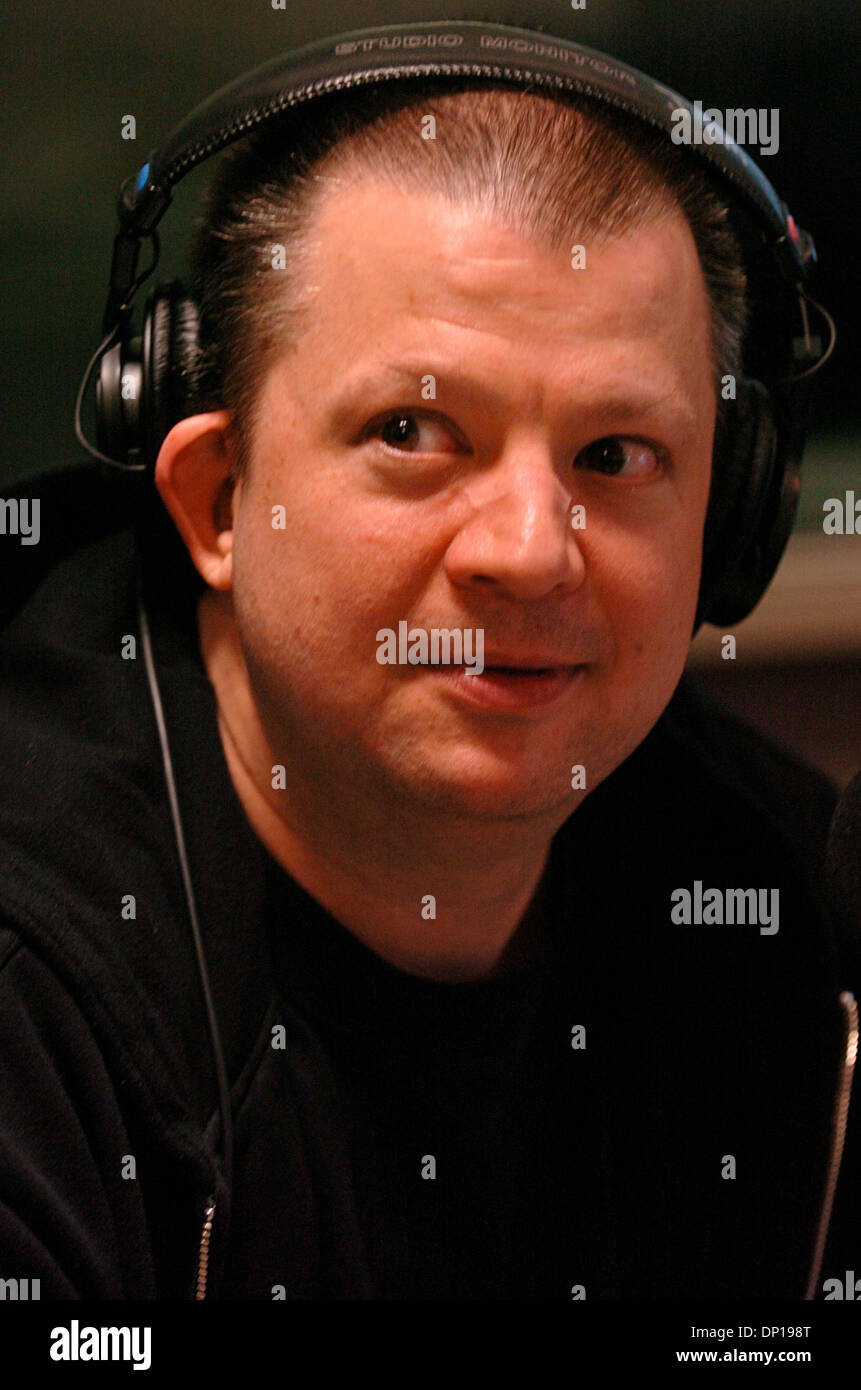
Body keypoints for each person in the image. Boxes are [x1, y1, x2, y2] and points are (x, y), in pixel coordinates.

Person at [0, 20, 856, 1301]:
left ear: (728, 522)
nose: (529, 552)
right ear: (220, 502)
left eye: (616, 455)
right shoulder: (34, 988)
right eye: (415, 430)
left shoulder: (793, 938)